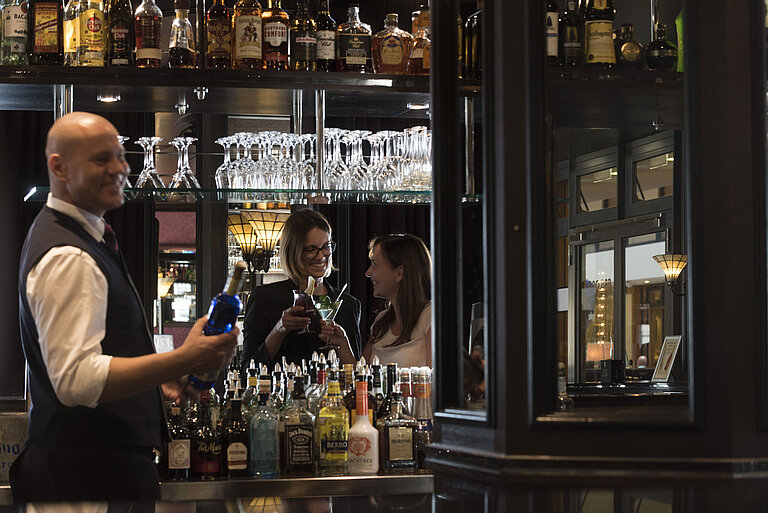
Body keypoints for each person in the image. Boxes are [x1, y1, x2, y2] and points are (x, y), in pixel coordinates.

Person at [11, 112, 238, 503]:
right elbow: (77, 381)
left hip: (93, 473)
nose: (120, 169)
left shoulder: (82, 237)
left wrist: (155, 382)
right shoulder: (69, 254)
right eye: (102, 159)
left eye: (121, 156)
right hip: (84, 480)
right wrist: (182, 359)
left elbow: (102, 357)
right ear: (58, 167)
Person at [242, 209, 362, 370]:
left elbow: (357, 379)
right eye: (311, 249)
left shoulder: (348, 304)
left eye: (326, 246)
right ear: (293, 252)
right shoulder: (265, 298)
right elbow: (246, 372)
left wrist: (342, 343)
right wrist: (279, 330)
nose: (321, 256)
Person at [362, 234, 432, 367]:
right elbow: (361, 375)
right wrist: (342, 342)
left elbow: (437, 381)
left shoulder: (430, 317)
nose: (368, 272)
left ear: (399, 273)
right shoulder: (381, 321)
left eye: (375, 265)